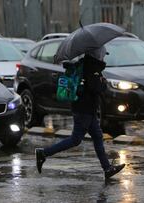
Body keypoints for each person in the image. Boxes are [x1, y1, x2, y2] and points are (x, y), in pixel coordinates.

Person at [35, 47, 125, 179]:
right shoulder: (91, 68)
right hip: (84, 110)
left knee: (97, 137)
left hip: (86, 109)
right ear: (97, 55)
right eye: (102, 54)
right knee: (75, 139)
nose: (104, 57)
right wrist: (103, 84)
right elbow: (96, 89)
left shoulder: (86, 65)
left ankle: (107, 169)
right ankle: (43, 153)